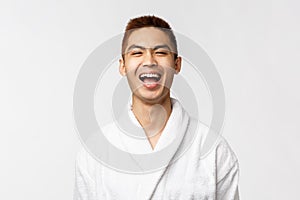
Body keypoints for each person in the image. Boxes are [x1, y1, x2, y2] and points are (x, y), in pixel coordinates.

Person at [73, 15, 240, 200]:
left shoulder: (213, 150)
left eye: (160, 53)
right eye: (137, 53)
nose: (150, 61)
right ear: (122, 66)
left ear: (177, 64)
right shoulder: (96, 152)